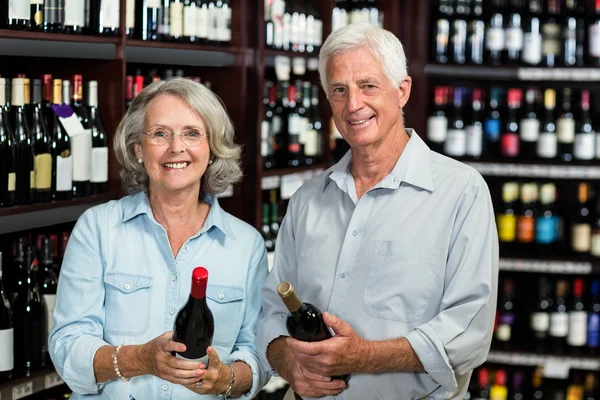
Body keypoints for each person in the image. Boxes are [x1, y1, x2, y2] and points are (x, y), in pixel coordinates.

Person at [257, 23, 499, 400]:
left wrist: (365, 356)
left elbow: (469, 334)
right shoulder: (307, 199)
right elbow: (271, 310)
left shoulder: (461, 192)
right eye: (339, 90)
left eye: (368, 85)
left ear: (401, 91)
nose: (353, 104)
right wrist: (288, 364)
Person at [49, 78, 269, 399]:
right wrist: (140, 359)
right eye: (160, 134)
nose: (176, 147)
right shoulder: (97, 229)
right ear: (138, 149)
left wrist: (225, 379)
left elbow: (258, 354)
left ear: (212, 149)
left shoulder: (246, 245)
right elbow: (67, 346)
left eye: (192, 133)